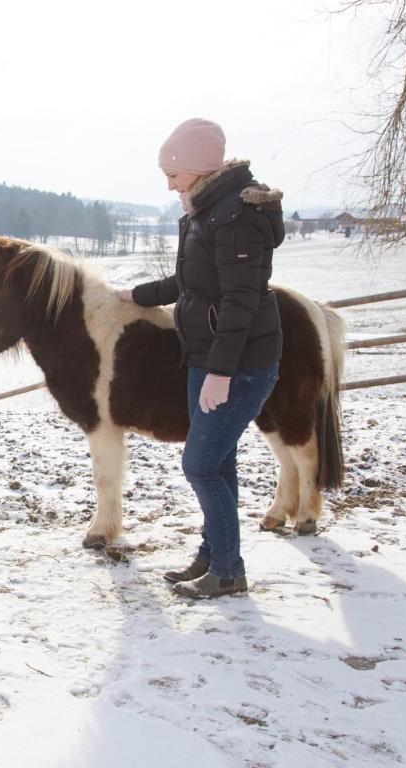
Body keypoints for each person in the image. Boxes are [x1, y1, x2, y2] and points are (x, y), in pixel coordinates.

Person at [118, 118, 284, 599]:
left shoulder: (237, 216)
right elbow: (186, 284)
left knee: (199, 465)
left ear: (195, 168)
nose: (169, 184)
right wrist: (132, 294)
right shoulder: (204, 210)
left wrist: (220, 372)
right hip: (205, 358)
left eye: (173, 174)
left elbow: (240, 303)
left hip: (239, 363)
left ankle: (229, 571)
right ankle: (214, 556)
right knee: (220, 461)